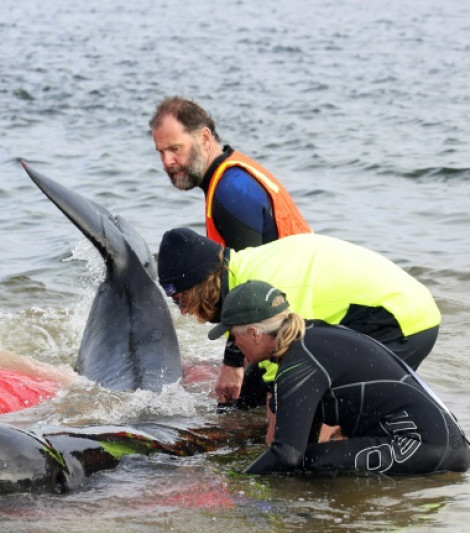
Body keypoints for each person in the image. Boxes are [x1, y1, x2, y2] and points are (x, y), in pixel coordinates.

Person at [156, 227, 442, 409]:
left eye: (182, 300)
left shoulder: (274, 287)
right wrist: (232, 366)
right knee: (248, 395)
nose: (182, 311)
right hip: (385, 307)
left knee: (322, 405)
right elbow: (245, 325)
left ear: (203, 284)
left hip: (401, 320)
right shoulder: (242, 268)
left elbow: (284, 378)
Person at [209, 280, 468, 475]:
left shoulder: (299, 363)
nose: (234, 344)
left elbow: (287, 456)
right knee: (303, 462)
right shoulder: (312, 338)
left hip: (421, 446)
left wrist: (233, 485)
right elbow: (298, 442)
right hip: (446, 442)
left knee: (304, 465)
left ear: (254, 333)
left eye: (234, 335)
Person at [149, 96, 311, 250]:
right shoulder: (229, 175)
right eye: (161, 152)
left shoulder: (231, 189)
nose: (166, 161)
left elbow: (249, 275)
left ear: (204, 139)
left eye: (175, 149)